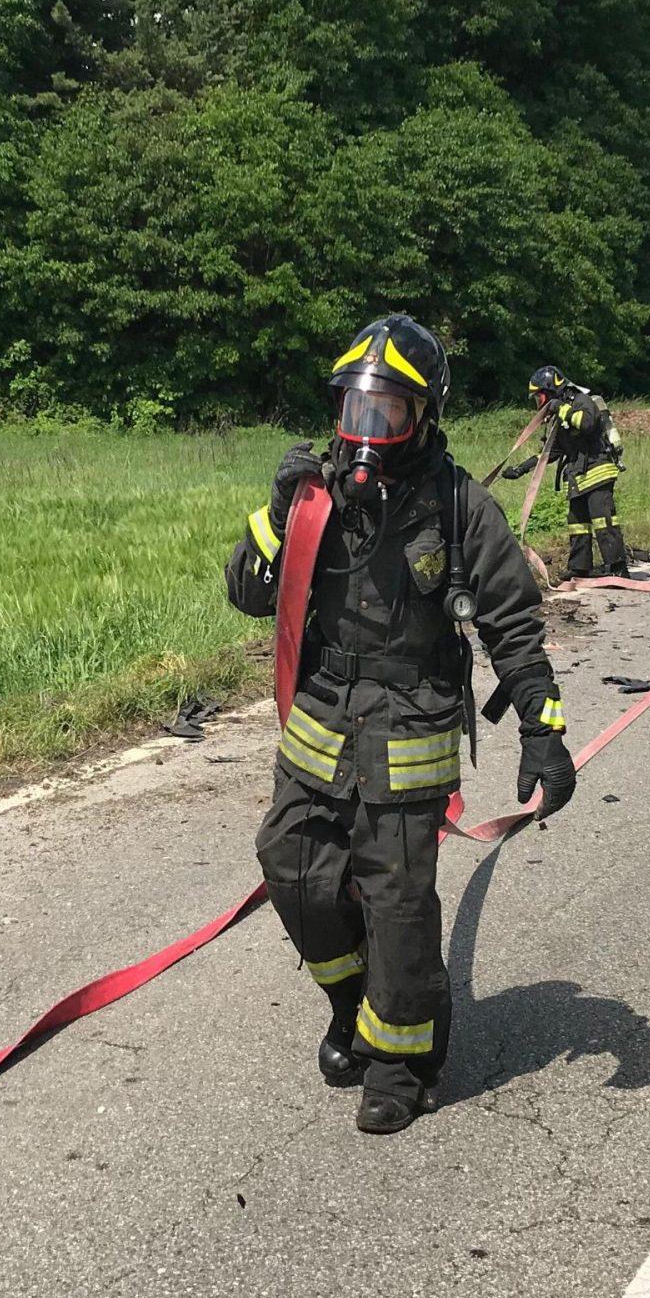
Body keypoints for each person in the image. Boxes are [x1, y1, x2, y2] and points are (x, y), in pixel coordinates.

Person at [227, 315, 573, 1136]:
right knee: (295, 871)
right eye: (355, 411)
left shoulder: (460, 509)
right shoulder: (314, 496)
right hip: (319, 722)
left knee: (398, 904)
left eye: (385, 416)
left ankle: (403, 1062)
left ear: (425, 416)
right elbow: (249, 593)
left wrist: (543, 730)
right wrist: (279, 515)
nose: (365, 435)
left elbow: (514, 628)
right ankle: (353, 1007)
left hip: (409, 732)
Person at [499, 366, 629, 577]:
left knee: (602, 519)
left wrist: (560, 408)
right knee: (577, 523)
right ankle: (580, 568)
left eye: (539, 396)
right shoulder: (559, 417)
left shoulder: (581, 400)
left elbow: (587, 423)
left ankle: (618, 568)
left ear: (551, 390)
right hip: (578, 475)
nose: (538, 403)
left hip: (598, 469)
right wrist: (521, 469)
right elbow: (551, 452)